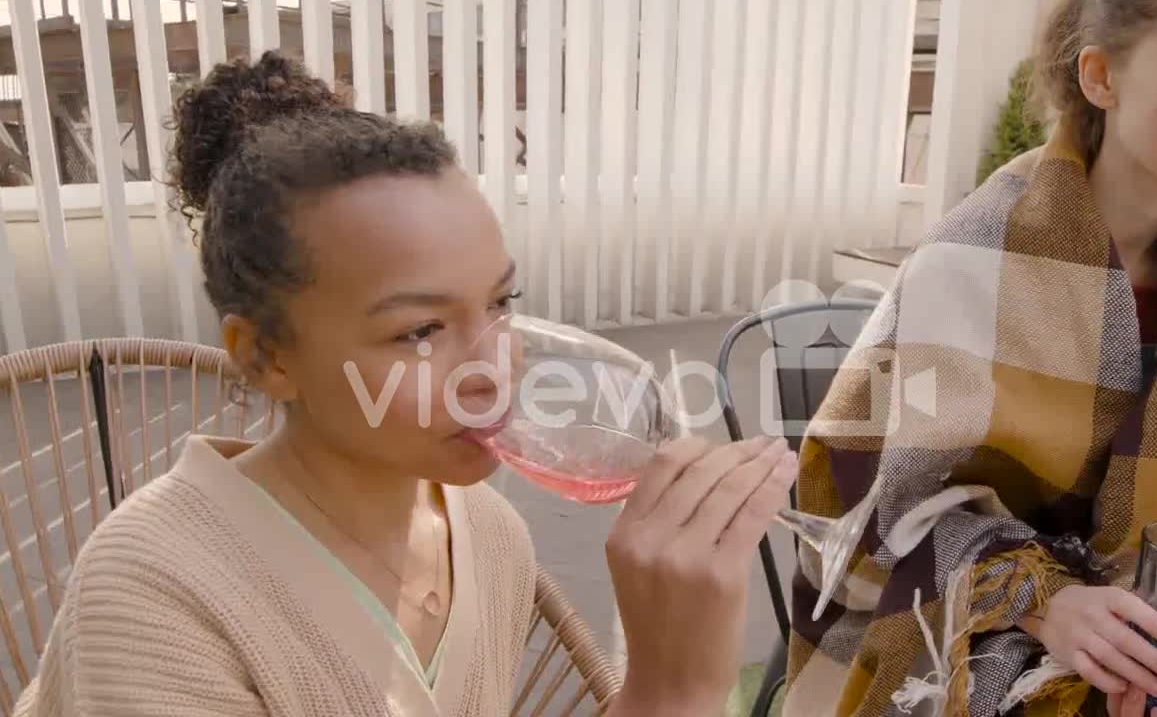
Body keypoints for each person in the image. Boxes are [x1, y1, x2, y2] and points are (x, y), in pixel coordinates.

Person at [12, 51, 799, 717]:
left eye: (500, 303)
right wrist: (673, 690)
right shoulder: (156, 599)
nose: (493, 370)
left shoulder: (487, 535)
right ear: (263, 357)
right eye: (420, 331)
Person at [785, 0, 1157, 715]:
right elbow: (871, 504)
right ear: (1102, 76)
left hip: (1154, 620)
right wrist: (1045, 602)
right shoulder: (970, 262)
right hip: (956, 614)